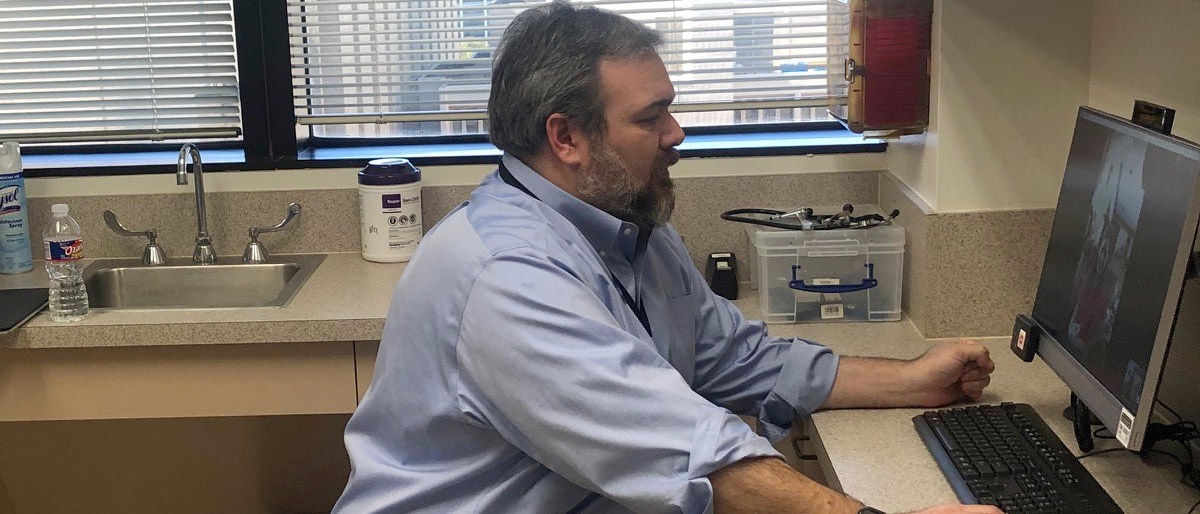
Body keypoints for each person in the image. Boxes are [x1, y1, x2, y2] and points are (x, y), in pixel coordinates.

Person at [333, 2, 1000, 513]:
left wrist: (915, 380)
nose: (677, 134)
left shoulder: (632, 230)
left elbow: (737, 360)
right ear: (565, 137)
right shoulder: (505, 276)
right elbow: (686, 454)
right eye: (652, 117)